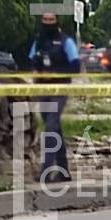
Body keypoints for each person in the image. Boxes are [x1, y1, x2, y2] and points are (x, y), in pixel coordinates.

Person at [28, 12, 81, 183]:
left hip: (59, 88)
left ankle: (46, 170)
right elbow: (32, 61)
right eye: (45, 20)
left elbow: (75, 66)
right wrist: (36, 73)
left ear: (57, 21)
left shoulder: (66, 42)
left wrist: (56, 74)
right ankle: (63, 170)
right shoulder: (39, 41)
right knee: (54, 127)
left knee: (50, 127)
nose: (48, 23)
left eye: (51, 20)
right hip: (43, 89)